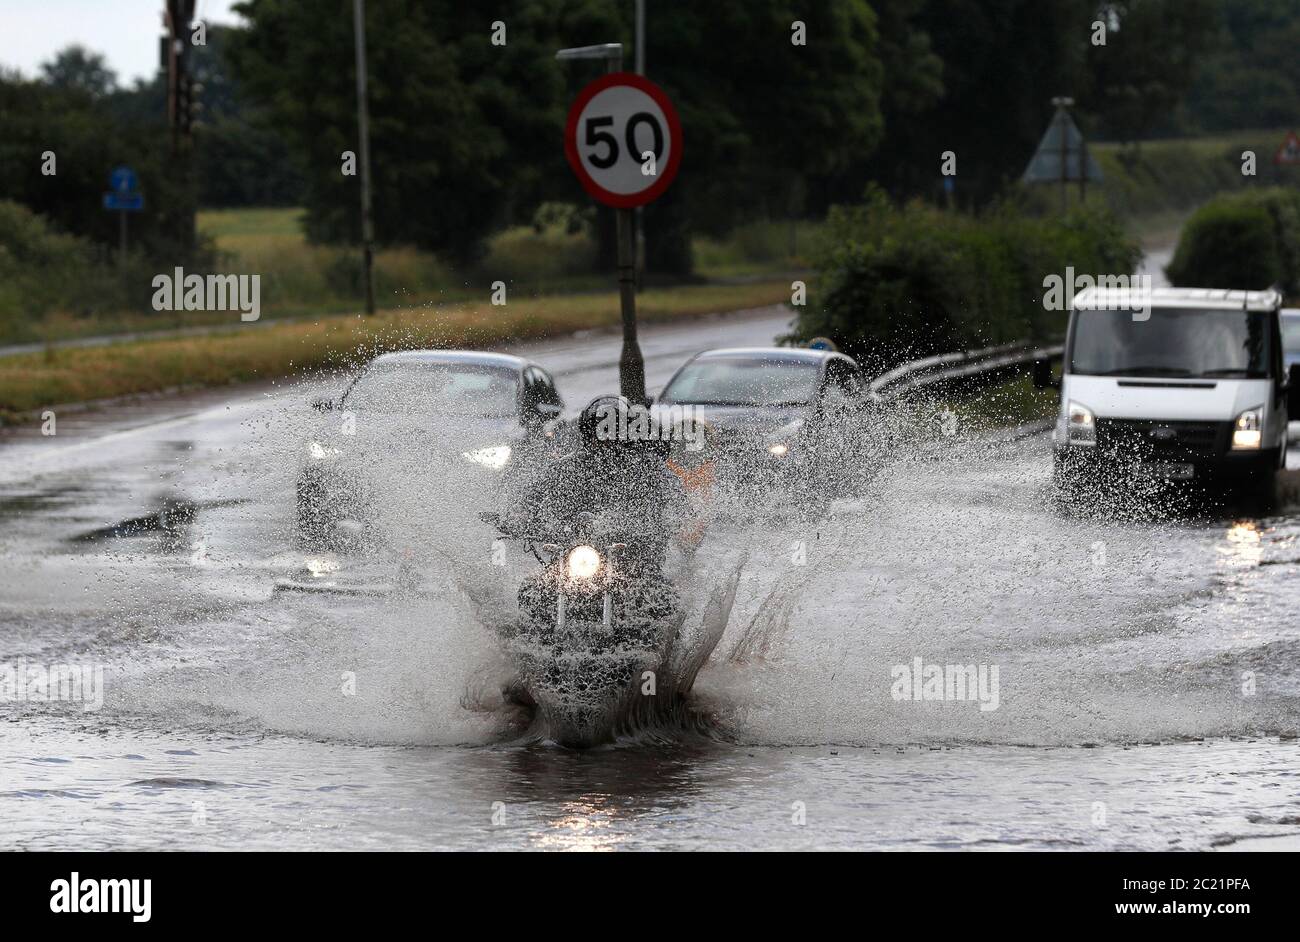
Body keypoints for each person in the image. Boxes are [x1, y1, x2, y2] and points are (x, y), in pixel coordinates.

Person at [503, 395, 692, 572]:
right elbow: (535, 492)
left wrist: (674, 519)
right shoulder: (568, 466)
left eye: (613, 431)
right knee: (536, 590)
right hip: (576, 552)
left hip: (634, 555)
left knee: (658, 595)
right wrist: (518, 515)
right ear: (587, 434)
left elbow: (676, 495)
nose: (605, 439)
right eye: (598, 432)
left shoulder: (647, 466)